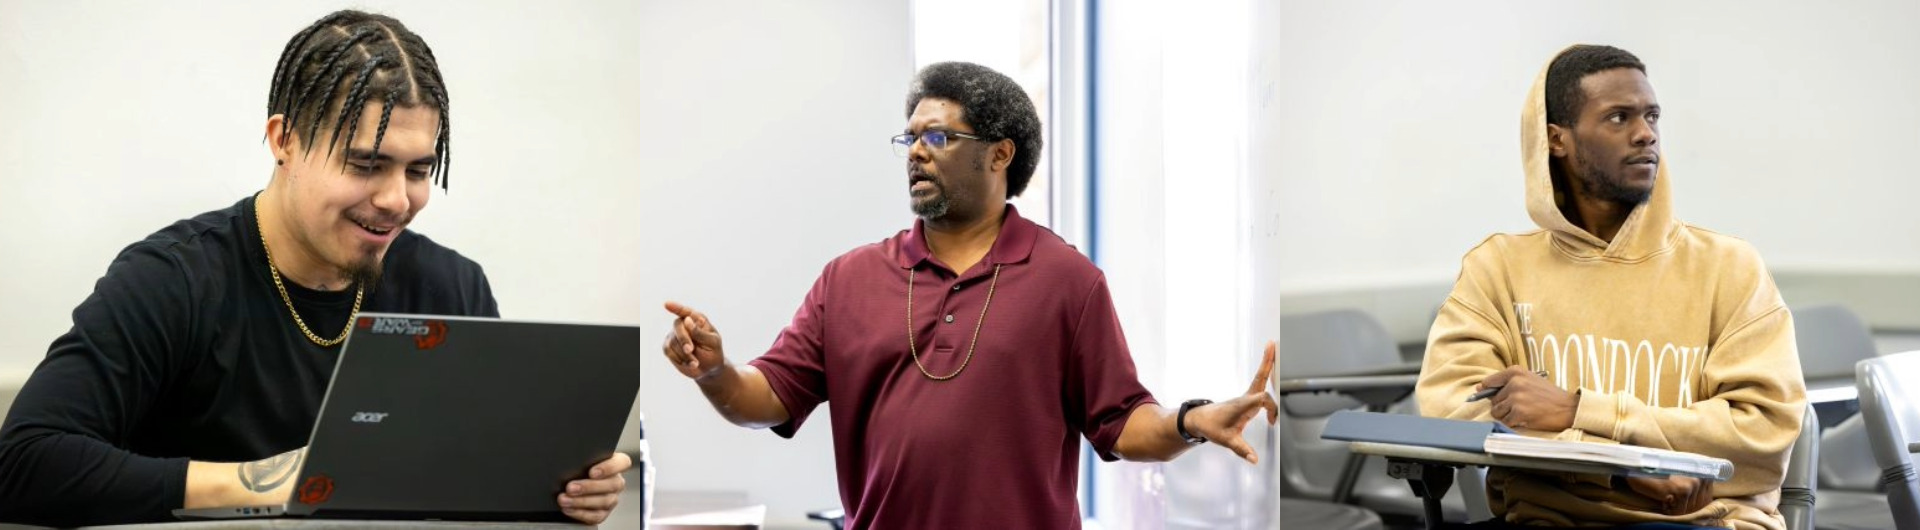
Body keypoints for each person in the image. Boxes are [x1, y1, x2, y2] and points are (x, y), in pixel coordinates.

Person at [0, 10, 629, 526]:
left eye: (417, 171)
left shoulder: (451, 286)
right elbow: (23, 462)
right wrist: (278, 481)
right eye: (365, 165)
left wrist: (561, 493)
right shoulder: (172, 281)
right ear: (284, 141)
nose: (395, 200)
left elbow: (483, 478)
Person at [662, 61, 1278, 529]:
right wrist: (714, 369)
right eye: (910, 140)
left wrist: (1192, 419)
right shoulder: (847, 279)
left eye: (937, 138)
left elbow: (1123, 424)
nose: (916, 156)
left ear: (999, 155)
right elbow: (764, 398)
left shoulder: (1068, 281)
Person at [1416, 45, 1806, 530]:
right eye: (1619, 118)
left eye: (1652, 116)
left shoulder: (1730, 267)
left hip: (1705, 523)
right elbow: (1451, 410)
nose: (1646, 135)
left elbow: (1765, 433)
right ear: (1557, 140)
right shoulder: (1497, 268)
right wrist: (1624, 466)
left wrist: (1576, 410)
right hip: (1544, 520)